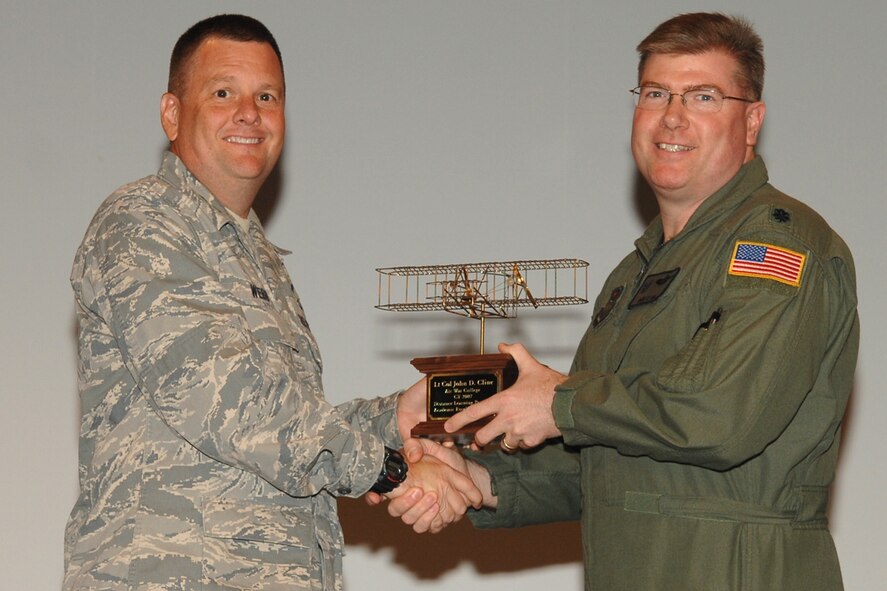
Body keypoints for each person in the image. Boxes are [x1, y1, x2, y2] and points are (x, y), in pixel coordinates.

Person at [382, 12, 859, 591]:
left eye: (703, 96)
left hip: (743, 571)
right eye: (656, 93)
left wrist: (560, 401)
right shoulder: (630, 278)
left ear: (751, 122)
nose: (673, 116)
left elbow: (721, 415)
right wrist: (480, 479)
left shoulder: (777, 244)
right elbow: (606, 461)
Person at [63, 14, 480, 591]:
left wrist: (401, 416)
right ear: (172, 114)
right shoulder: (143, 223)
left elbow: (291, 415)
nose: (249, 113)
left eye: (267, 96)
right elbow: (232, 403)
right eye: (222, 92)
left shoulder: (257, 256)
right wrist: (394, 470)